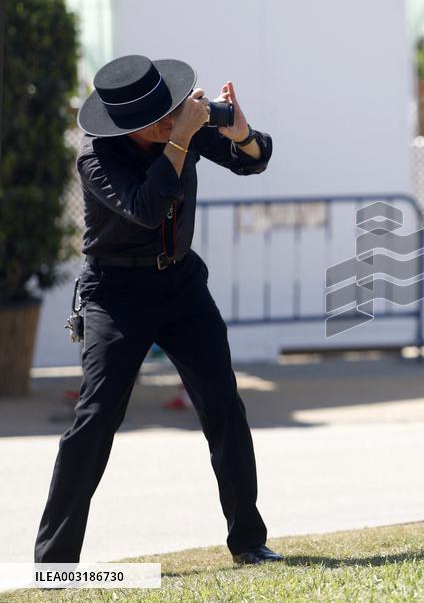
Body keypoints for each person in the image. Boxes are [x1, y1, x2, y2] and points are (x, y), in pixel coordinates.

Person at [34, 55, 284, 565]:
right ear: (127, 126)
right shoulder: (97, 157)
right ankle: (54, 564)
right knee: (97, 416)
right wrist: (181, 139)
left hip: (181, 283)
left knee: (223, 404)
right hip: (116, 291)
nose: (171, 120)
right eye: (159, 119)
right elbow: (147, 209)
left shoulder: (179, 123)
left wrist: (241, 135)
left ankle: (248, 542)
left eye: (171, 110)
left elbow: (253, 160)